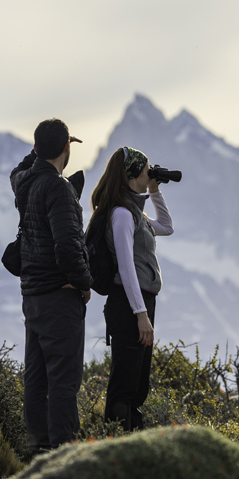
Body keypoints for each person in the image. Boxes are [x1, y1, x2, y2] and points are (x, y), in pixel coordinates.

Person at [9, 118, 91, 452]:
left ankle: (37, 449)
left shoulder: (24, 183)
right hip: (59, 297)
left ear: (37, 147)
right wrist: (84, 284)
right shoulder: (58, 187)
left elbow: (17, 170)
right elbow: (68, 246)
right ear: (67, 148)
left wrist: (36, 152)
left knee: (37, 378)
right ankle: (62, 452)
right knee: (62, 380)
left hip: (32, 296)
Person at [89, 146, 174, 431]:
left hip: (141, 302)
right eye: (146, 170)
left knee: (138, 382)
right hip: (128, 305)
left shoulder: (135, 213)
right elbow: (126, 267)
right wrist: (140, 314)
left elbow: (166, 226)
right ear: (131, 174)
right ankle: (115, 443)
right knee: (125, 381)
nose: (149, 173)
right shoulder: (123, 215)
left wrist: (155, 190)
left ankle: (130, 442)